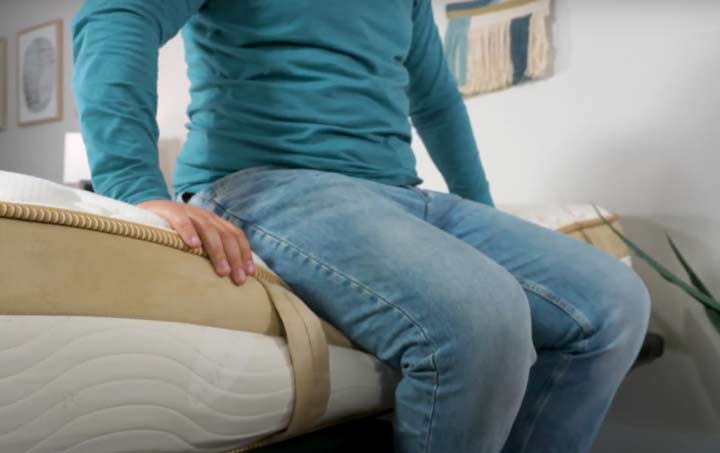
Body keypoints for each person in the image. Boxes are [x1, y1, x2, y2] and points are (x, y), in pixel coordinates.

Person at [71, 1, 651, 452]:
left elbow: (437, 101)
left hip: (401, 191)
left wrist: (482, 213)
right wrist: (137, 189)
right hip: (270, 182)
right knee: (484, 317)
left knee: (615, 303)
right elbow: (116, 15)